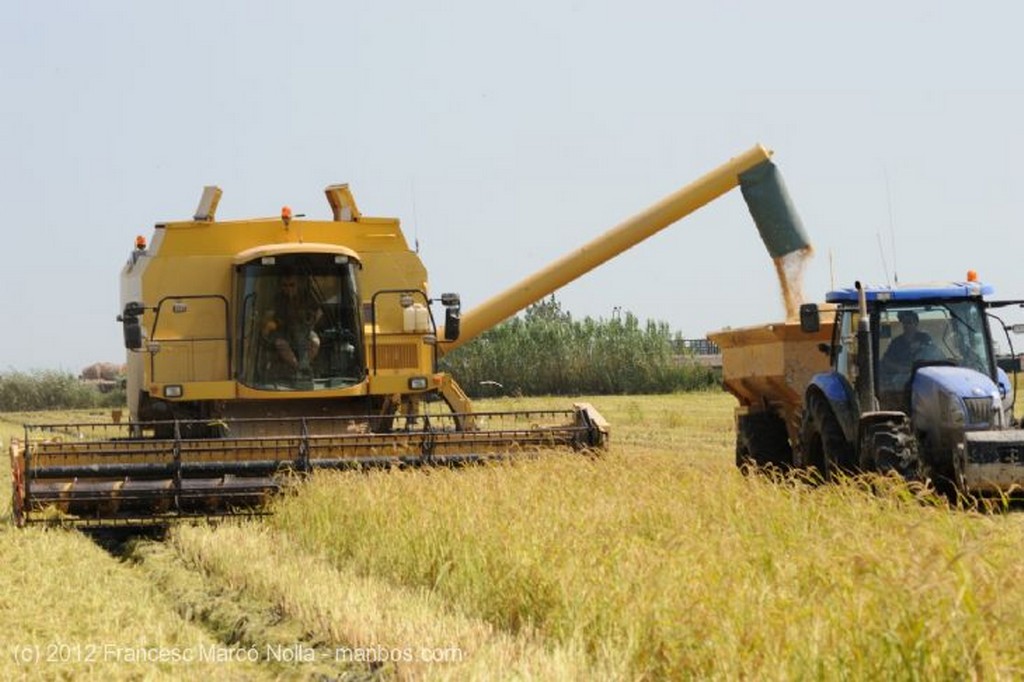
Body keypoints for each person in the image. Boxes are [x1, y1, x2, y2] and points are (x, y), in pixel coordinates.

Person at [262, 273, 322, 377]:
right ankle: (299, 368)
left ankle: (305, 364)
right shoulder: (278, 299)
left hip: (304, 330)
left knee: (315, 342)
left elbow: (319, 312)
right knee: (281, 344)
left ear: (298, 285)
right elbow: (268, 316)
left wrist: (312, 322)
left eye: (291, 285)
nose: (288, 288)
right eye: (285, 285)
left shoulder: (306, 297)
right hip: (283, 332)